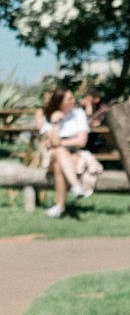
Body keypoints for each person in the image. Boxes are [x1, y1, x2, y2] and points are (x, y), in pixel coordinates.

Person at [35, 86, 93, 218]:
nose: (73, 101)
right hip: (51, 156)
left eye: (73, 98)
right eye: (69, 99)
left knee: (59, 164)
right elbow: (53, 143)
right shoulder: (49, 117)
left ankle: (60, 206)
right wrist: (56, 123)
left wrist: (61, 142)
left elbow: (82, 141)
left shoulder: (78, 113)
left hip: (73, 155)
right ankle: (75, 185)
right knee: (59, 152)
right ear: (60, 102)